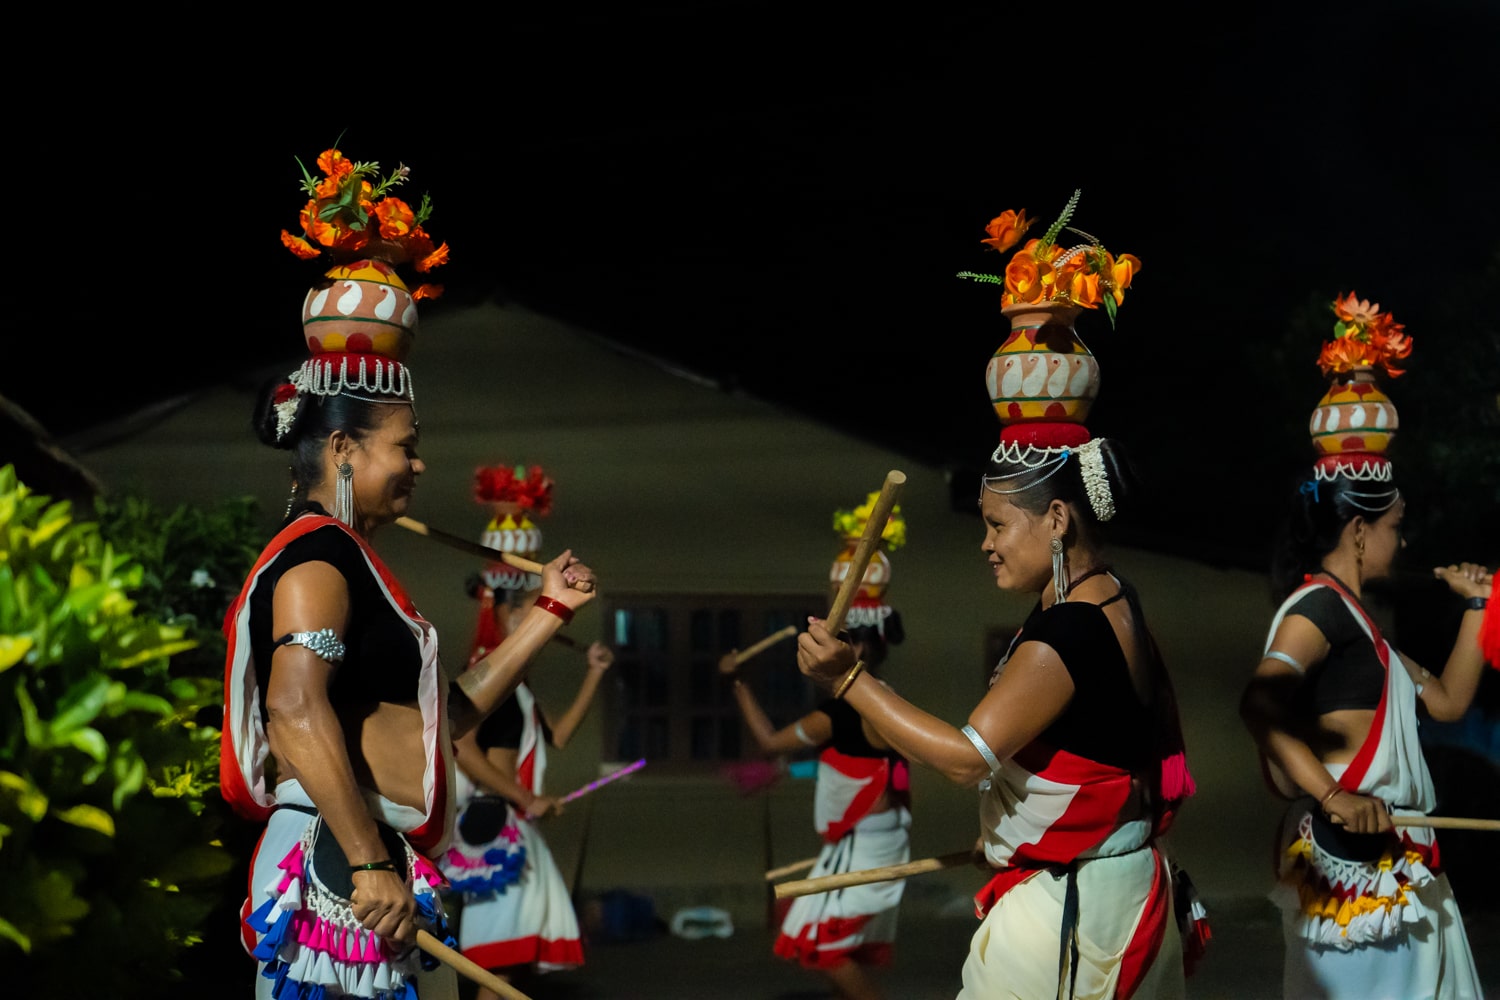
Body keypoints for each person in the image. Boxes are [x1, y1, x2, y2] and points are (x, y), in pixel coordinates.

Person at [220, 149, 598, 1000]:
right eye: (406, 446)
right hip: (343, 866)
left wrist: (548, 610)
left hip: (367, 864)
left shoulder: (347, 561)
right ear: (345, 448)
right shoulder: (317, 559)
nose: (418, 467)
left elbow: (442, 718)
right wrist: (365, 859)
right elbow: (291, 703)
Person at [797, 437, 1200, 999]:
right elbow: (1088, 754)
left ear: (1057, 518)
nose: (986, 545)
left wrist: (848, 680)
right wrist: (1018, 831)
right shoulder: (1111, 594)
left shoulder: (1068, 632)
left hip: (1076, 903)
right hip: (1108, 881)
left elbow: (967, 759)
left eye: (998, 525)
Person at [1238, 292, 1488, 999]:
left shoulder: (1361, 624)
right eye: (1395, 525)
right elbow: (1258, 705)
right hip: (1356, 882)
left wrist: (1477, 606)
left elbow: (1445, 701)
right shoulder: (1316, 609)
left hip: (1398, 869)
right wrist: (1334, 793)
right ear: (1358, 532)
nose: (1401, 541)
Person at [721, 496, 912, 1000]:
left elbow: (768, 742)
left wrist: (737, 684)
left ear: (857, 647)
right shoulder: (877, 702)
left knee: (826, 951)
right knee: (830, 951)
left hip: (867, 844)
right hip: (864, 839)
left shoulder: (851, 710)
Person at [439, 464, 612, 994]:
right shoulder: (494, 691)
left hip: (508, 823)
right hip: (498, 826)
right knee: (498, 968)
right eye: (531, 614)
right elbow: (461, 747)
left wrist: (593, 675)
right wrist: (526, 799)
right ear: (506, 617)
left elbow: (556, 738)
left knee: (503, 968)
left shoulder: (515, 692)